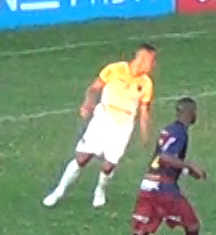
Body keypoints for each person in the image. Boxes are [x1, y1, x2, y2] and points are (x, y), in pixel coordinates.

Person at [117, 97, 211, 235]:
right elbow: (166, 157)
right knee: (192, 226)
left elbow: (160, 158)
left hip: (149, 183)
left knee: (141, 231)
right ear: (190, 113)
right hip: (163, 188)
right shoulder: (180, 132)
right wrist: (189, 165)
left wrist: (185, 170)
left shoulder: (168, 130)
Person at [44, 45, 156, 208]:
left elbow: (145, 110)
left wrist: (145, 133)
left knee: (109, 165)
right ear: (142, 58)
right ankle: (59, 191)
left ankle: (100, 190)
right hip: (103, 119)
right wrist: (87, 103)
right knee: (82, 157)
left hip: (123, 127)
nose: (152, 65)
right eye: (152, 60)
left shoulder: (146, 83)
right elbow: (94, 87)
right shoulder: (115, 69)